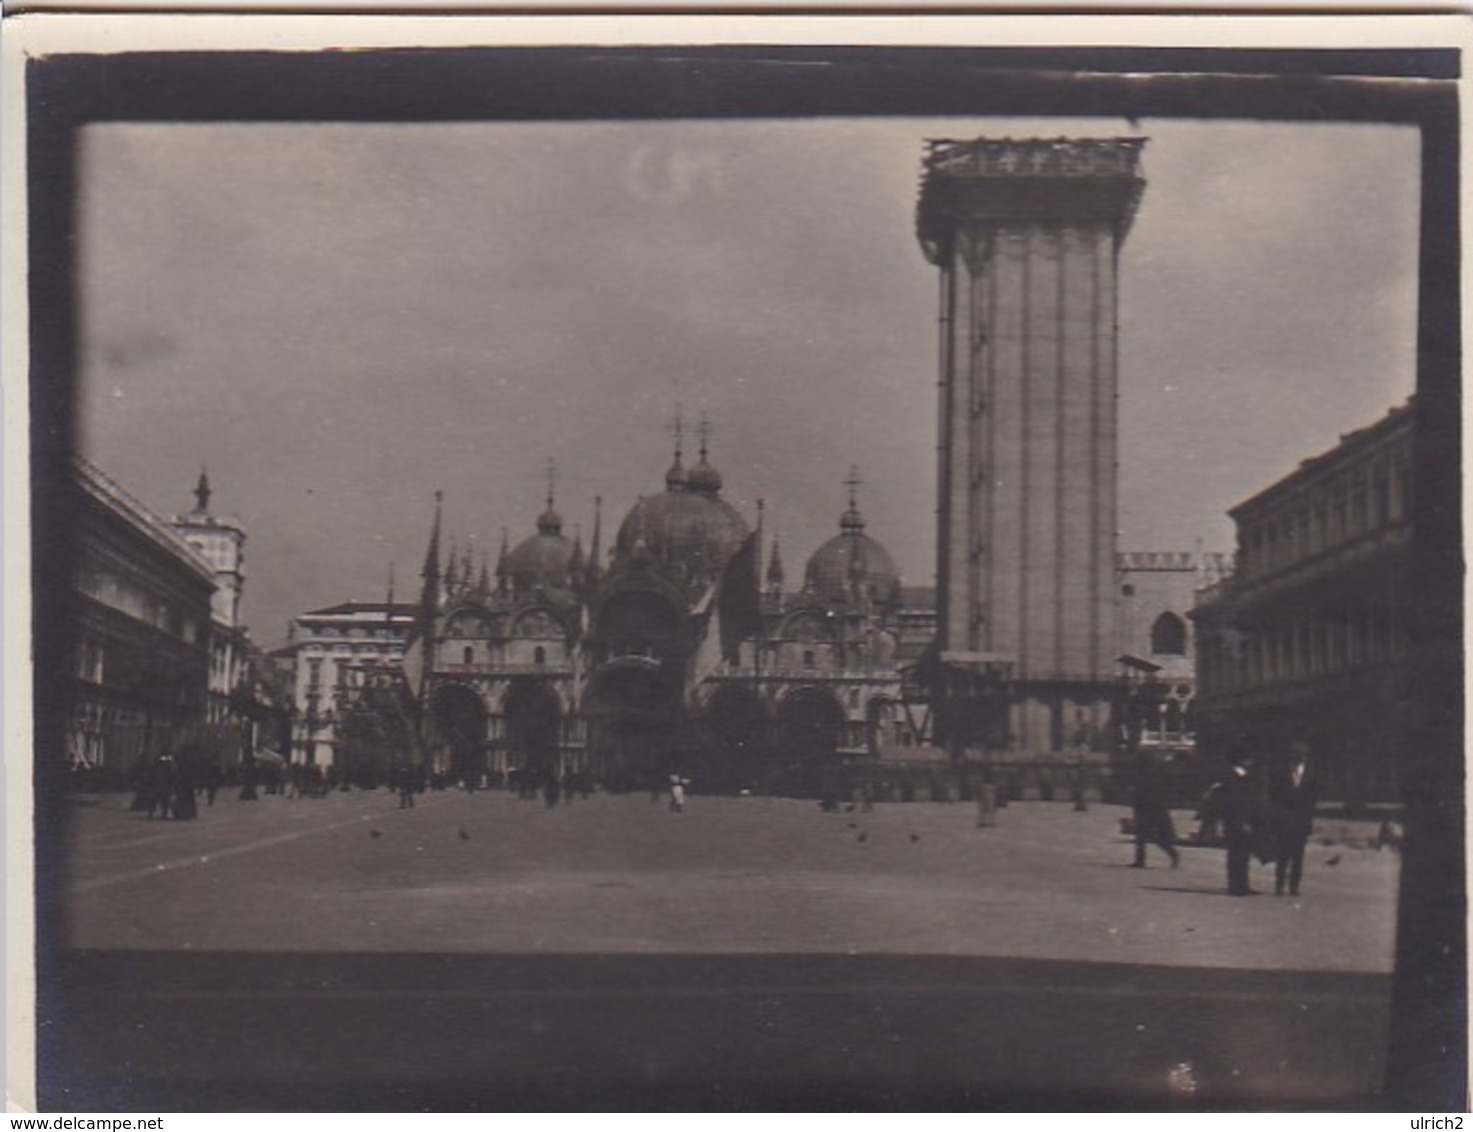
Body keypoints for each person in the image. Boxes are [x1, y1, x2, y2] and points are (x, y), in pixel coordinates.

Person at [1267, 742, 1317, 897]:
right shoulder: (1281, 772)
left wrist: (1309, 821)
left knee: (1298, 856)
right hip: (1283, 820)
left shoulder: (1311, 773)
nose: (1298, 758)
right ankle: (1279, 885)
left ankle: (1294, 886)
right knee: (1282, 855)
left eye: (1301, 756)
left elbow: (1312, 799)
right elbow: (1273, 797)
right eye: (1295, 755)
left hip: (1301, 821)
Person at [1206, 758, 1261, 896]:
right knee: (1237, 854)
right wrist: (1243, 821)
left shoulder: (1238, 777)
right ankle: (1236, 886)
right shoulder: (1233, 778)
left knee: (1241, 855)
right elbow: (1235, 803)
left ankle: (1241, 885)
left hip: (1236, 821)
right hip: (1235, 821)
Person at [1129, 748, 1180, 868]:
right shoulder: (1149, 773)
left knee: (1150, 835)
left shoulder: (1153, 774)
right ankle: (1140, 859)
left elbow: (1156, 792)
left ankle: (1172, 853)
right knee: (1142, 835)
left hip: (1152, 807)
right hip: (1146, 805)